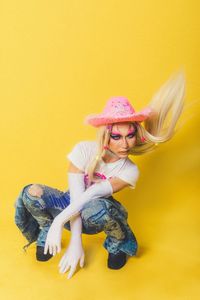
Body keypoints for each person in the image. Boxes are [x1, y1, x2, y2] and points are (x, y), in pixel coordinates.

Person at [15, 70, 186, 279]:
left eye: (130, 135)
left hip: (97, 214)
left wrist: (63, 225)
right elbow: (77, 197)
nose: (125, 144)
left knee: (98, 207)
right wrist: (64, 230)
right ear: (106, 135)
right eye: (117, 136)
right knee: (31, 192)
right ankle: (46, 230)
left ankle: (118, 243)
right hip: (71, 203)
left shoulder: (131, 171)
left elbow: (92, 194)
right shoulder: (83, 151)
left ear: (136, 135)